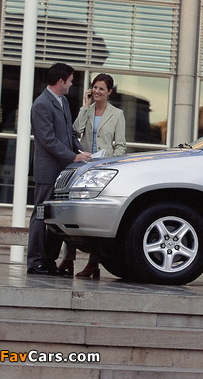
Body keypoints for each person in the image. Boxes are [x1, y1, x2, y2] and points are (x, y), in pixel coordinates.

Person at [58, 73, 126, 278]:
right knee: (72, 214)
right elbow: (74, 131)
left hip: (103, 169)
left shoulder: (117, 114)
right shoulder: (87, 110)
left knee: (94, 218)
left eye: (101, 89)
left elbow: (121, 145)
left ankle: (93, 264)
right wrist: (85, 107)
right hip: (83, 166)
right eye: (94, 87)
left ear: (109, 92)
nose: (96, 91)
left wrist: (111, 162)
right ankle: (68, 259)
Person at [27, 63, 92, 275]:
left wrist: (82, 153)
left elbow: (69, 134)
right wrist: (73, 156)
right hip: (47, 170)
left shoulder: (62, 101)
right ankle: (35, 262)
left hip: (63, 171)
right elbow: (48, 140)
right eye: (71, 81)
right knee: (40, 216)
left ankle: (48, 261)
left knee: (57, 217)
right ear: (60, 81)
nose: (72, 85)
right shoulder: (41, 105)